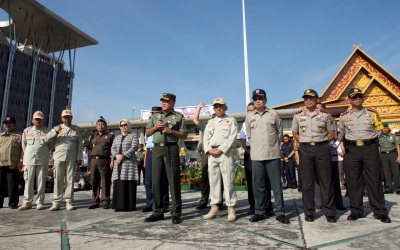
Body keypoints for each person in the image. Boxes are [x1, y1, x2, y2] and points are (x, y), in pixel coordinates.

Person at [339, 88, 391, 223]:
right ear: (350, 100)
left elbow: (379, 129)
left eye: (360, 96)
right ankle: (356, 210)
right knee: (353, 181)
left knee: (374, 179)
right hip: (352, 150)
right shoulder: (344, 115)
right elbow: (342, 133)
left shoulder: (372, 113)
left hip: (370, 148)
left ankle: (379, 210)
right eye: (355, 97)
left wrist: (371, 140)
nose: (358, 99)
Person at [292, 89, 336, 223]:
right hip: (305, 149)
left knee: (326, 181)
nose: (308, 100)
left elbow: (331, 133)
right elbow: (294, 132)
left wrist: (321, 142)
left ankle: (329, 212)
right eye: (306, 98)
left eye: (311, 98)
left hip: (322, 148)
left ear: (317, 99)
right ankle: (309, 212)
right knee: (307, 182)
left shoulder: (325, 115)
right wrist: (304, 141)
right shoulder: (298, 116)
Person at [246, 89, 289, 224]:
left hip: (272, 154)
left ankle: (280, 212)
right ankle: (259, 212)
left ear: (265, 100)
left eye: (260, 98)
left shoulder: (273, 114)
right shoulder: (249, 117)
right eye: (255, 98)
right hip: (257, 156)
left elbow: (279, 132)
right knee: (258, 186)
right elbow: (249, 135)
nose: (257, 100)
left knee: (276, 186)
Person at [144, 93, 188, 224]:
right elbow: (147, 133)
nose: (164, 103)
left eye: (167, 101)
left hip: (171, 148)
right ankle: (158, 211)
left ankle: (176, 213)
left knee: (173, 181)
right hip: (157, 149)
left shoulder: (178, 117)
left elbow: (185, 135)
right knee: (156, 180)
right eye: (162, 101)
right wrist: (155, 127)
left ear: (173, 103)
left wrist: (171, 132)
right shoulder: (155, 116)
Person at [203, 97, 238, 222]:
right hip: (212, 154)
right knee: (213, 181)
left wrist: (221, 149)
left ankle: (231, 208)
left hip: (225, 153)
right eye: (216, 106)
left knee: (228, 180)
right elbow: (205, 138)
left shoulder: (231, 121)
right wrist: (208, 149)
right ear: (213, 108)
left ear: (225, 107)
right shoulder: (210, 122)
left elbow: (233, 137)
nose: (218, 108)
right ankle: (214, 208)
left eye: (221, 106)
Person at [241, 102, 273, 216]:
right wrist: (247, 150)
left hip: (263, 150)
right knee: (251, 181)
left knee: (265, 180)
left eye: (252, 110)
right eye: (248, 110)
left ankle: (267, 206)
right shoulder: (245, 123)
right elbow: (243, 139)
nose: (249, 112)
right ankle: (253, 206)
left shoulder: (262, 119)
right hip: (250, 152)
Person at [47, 110, 83, 211]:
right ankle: (56, 202)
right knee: (57, 179)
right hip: (59, 157)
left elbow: (80, 144)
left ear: (71, 118)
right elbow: (46, 139)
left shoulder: (76, 129)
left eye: (69, 117)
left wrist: (79, 157)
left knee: (70, 180)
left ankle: (68, 201)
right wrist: (54, 132)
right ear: (62, 118)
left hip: (71, 157)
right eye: (65, 117)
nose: (67, 119)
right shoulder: (57, 128)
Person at [193, 102, 225, 211]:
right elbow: (195, 120)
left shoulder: (224, 123)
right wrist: (199, 108)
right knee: (205, 177)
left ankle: (219, 201)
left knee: (220, 177)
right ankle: (204, 201)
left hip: (221, 151)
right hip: (208, 153)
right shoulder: (207, 125)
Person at [18, 111, 52, 211]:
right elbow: (24, 146)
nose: (38, 121)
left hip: (42, 159)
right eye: (36, 119)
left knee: (41, 182)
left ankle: (40, 202)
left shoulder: (47, 132)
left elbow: (50, 146)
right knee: (28, 181)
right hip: (29, 159)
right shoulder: (27, 131)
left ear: (43, 121)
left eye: (40, 119)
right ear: (32, 120)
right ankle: (27, 202)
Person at [142, 107, 170, 213]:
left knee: (162, 179)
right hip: (150, 152)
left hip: (160, 150)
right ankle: (149, 203)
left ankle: (164, 203)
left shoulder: (164, 123)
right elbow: (147, 140)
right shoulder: (150, 125)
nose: (154, 115)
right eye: (152, 113)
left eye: (156, 113)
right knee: (148, 180)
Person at [110, 119, 138, 211]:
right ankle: (118, 205)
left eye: (125, 125)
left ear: (129, 125)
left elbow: (134, 147)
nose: (123, 127)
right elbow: (113, 148)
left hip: (129, 163)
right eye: (121, 125)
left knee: (128, 183)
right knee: (118, 183)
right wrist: (116, 155)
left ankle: (128, 206)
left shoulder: (133, 135)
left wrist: (124, 155)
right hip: (118, 163)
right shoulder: (117, 137)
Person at [88, 116, 115, 209]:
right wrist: (89, 162)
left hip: (104, 160)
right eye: (99, 124)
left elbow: (113, 149)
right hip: (94, 160)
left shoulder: (111, 135)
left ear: (106, 126)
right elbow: (89, 149)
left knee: (105, 181)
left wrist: (112, 161)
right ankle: (95, 201)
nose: (100, 126)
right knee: (94, 181)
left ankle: (105, 201)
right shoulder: (93, 136)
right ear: (96, 126)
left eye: (102, 124)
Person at [0, 116, 23, 209]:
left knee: (12, 185)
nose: (7, 125)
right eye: (6, 124)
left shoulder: (19, 136)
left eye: (10, 123)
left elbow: (23, 149)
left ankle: (13, 202)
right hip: (1, 163)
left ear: (14, 124)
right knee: (0, 185)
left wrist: (21, 161)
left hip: (12, 163)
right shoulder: (1, 136)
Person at [379, 122, 399, 194]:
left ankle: (398, 188)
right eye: (384, 128)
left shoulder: (393, 136)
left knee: (396, 171)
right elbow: (379, 147)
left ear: (388, 128)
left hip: (392, 153)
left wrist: (399, 156)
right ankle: (388, 188)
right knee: (386, 171)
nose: (385, 129)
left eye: (386, 128)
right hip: (384, 155)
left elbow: (397, 146)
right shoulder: (380, 137)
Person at [329, 136, 346, 210]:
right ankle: (322, 203)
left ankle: (338, 203)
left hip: (334, 158)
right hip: (323, 157)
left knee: (335, 182)